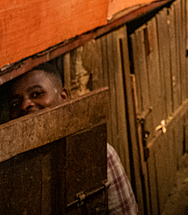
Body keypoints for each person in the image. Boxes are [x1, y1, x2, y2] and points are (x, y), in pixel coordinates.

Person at [9, 65, 138, 215]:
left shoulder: (99, 154)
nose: (25, 105)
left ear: (63, 97)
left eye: (37, 94)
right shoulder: (11, 170)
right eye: (15, 103)